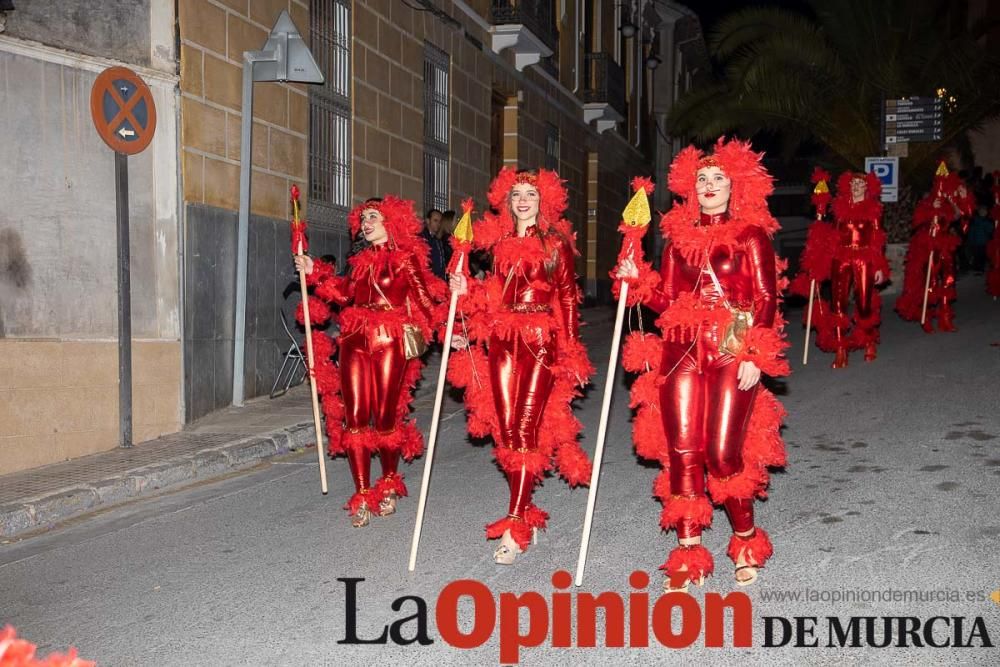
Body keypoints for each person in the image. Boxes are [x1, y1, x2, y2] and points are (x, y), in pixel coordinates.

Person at [615, 138, 789, 590]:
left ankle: (746, 539)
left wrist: (756, 352)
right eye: (702, 180)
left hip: (732, 346)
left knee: (722, 452)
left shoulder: (751, 235)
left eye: (718, 179)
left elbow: (767, 298)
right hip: (680, 349)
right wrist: (637, 284)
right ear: (690, 188)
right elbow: (668, 300)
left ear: (736, 186)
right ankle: (689, 552)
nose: (710, 186)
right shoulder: (676, 240)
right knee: (684, 451)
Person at [448, 167, 593, 564]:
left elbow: (565, 298)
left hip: (540, 339)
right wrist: (466, 297)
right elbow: (491, 294)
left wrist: (571, 349)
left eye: (530, 192)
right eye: (516, 194)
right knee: (508, 429)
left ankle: (514, 521)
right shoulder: (497, 245)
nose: (523, 199)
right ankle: (525, 506)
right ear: (506, 202)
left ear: (543, 199)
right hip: (501, 340)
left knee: (527, 427)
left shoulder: (555, 243)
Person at [294, 196, 444, 526]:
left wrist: (449, 328)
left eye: (373, 216)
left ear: (391, 220)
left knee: (386, 415)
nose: (366, 222)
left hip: (390, 340)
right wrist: (314, 271)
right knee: (356, 416)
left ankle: (389, 481)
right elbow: (344, 293)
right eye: (363, 218)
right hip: (354, 339)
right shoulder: (359, 261)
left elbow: (424, 299)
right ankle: (362, 493)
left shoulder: (406, 259)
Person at [896, 163, 975, 332]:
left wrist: (961, 199)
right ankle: (927, 317)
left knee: (948, 280)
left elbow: (961, 217)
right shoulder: (926, 202)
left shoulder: (949, 205)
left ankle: (945, 317)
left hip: (945, 246)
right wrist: (931, 211)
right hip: (928, 248)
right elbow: (916, 222)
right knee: (929, 282)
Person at [822, 171, 889, 367]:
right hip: (840, 259)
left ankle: (868, 341)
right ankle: (841, 348)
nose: (857, 186)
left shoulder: (874, 209)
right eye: (853, 183)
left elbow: (877, 240)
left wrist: (878, 266)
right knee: (838, 303)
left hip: (864, 258)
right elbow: (831, 236)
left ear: (868, 187)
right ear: (847, 186)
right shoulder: (839, 208)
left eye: (861, 183)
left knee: (864, 302)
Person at [422, 208, 451, 279]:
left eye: (440, 221)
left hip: (440, 282)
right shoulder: (421, 238)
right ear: (428, 221)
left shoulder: (437, 240)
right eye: (435, 220)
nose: (438, 224)